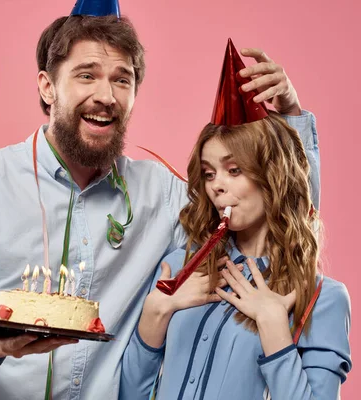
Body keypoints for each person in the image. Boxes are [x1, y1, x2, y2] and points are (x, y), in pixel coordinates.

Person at [0, 1, 321, 399]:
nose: (106, 95)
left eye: (122, 79)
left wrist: (291, 119)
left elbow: (272, 217)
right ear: (47, 86)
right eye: (86, 76)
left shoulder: (160, 194)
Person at [119, 39, 351, 400]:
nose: (217, 188)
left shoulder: (320, 298)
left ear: (272, 177)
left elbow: (301, 201)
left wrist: (275, 329)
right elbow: (131, 394)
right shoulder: (178, 270)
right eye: (209, 174)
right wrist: (154, 316)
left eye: (234, 169)